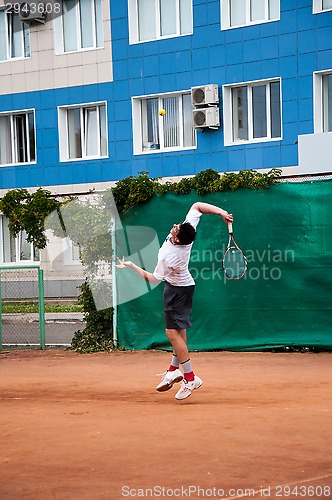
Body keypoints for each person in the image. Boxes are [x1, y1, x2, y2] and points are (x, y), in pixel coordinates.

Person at [115, 202, 233, 400]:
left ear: (178, 240)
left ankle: (190, 377)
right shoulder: (188, 229)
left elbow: (152, 279)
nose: (174, 226)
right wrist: (222, 212)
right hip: (181, 287)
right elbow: (197, 206)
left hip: (178, 291)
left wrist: (131, 266)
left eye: (176, 229)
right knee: (179, 332)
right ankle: (173, 370)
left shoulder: (168, 257)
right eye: (178, 225)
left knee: (171, 334)